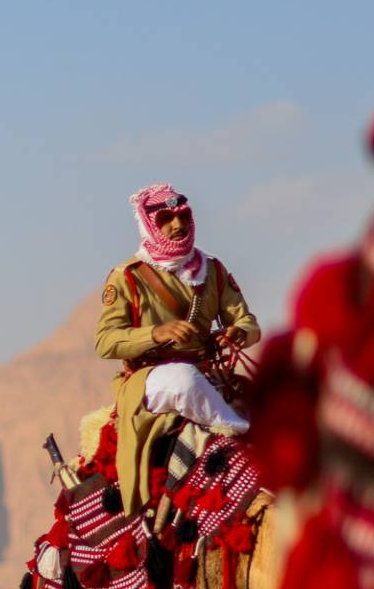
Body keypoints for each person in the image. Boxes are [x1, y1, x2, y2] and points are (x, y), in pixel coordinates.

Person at [94, 184, 259, 513]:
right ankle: (241, 437)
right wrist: (156, 334)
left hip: (208, 374)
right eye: (167, 218)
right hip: (149, 379)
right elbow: (106, 341)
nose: (177, 225)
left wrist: (238, 334)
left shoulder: (213, 270)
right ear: (151, 225)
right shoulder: (127, 277)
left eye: (182, 216)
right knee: (181, 379)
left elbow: (248, 322)